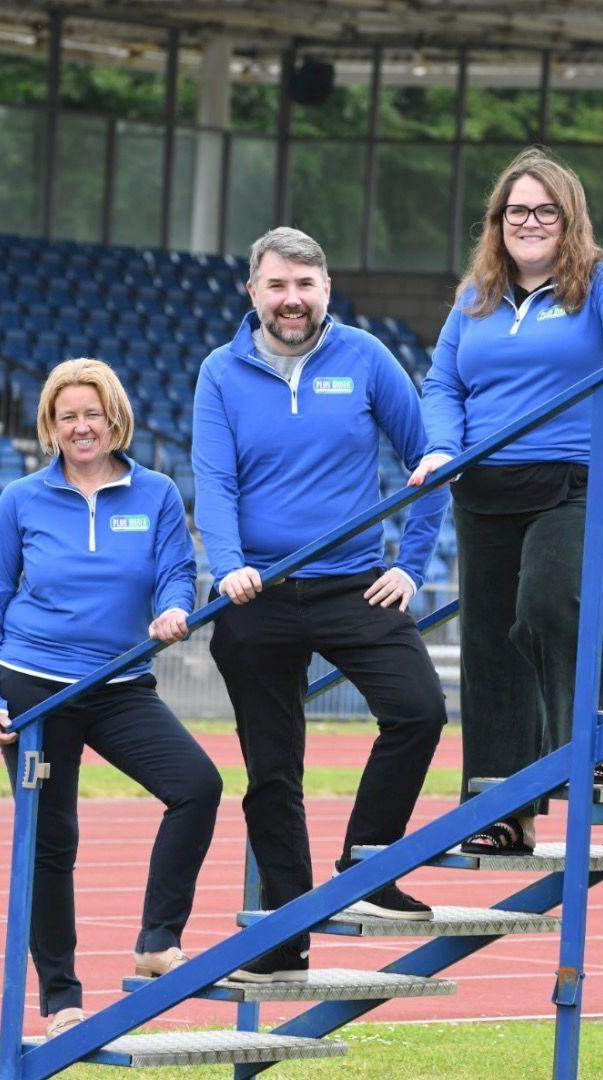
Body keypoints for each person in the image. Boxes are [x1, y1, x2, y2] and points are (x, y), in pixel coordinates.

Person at [194, 227, 453, 983]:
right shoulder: (221, 372)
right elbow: (215, 481)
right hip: (258, 596)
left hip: (353, 584)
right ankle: (286, 937)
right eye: (277, 286)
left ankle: (366, 866)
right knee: (273, 774)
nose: (292, 300)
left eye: (305, 286)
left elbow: (432, 463)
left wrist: (412, 566)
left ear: (326, 288)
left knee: (419, 711)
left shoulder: (368, 358)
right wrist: (231, 566)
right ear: (254, 291)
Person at [406, 148, 603, 857]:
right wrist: (440, 448)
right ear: (497, 222)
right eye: (515, 211)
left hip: (583, 477)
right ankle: (502, 807)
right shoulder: (476, 298)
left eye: (544, 210)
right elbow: (443, 386)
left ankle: (596, 726)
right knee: (493, 644)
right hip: (487, 486)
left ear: (569, 219)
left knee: (550, 595)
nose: (529, 222)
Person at [0, 359, 221, 1039]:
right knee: (54, 841)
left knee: (198, 783)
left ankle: (157, 938)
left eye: (93, 414)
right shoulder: (21, 499)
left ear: (116, 421)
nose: (81, 427)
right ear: (51, 425)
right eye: (67, 415)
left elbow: (177, 573)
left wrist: (174, 611)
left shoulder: (158, 493)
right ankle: (60, 999)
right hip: (34, 688)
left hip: (118, 684)